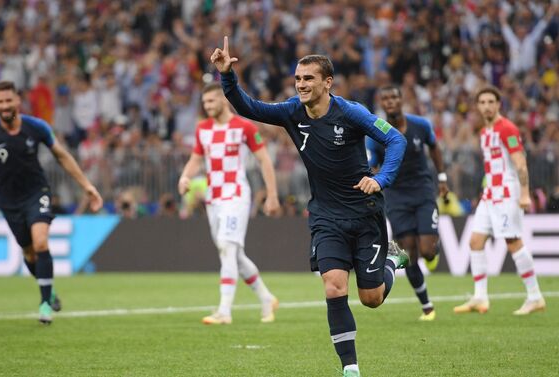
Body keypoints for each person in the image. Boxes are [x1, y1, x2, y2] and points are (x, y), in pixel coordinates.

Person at [211, 37, 408, 377]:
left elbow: (395, 139)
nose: (301, 84)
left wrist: (381, 178)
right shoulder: (291, 111)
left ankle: (392, 258)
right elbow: (249, 108)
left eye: (308, 79)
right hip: (326, 216)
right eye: (298, 79)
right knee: (333, 284)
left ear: (327, 82)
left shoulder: (351, 113)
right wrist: (228, 77)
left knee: (371, 298)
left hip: (365, 213)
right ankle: (350, 368)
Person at [0, 80, 103, 324]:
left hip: (36, 192)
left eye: (9, 100)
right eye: (0, 102)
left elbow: (62, 155)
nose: (5, 106)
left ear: (18, 101)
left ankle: (44, 305)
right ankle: (49, 292)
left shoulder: (36, 127)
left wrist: (87, 186)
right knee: (29, 253)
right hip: (8, 199)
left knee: (40, 243)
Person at [178, 82, 281, 325]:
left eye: (212, 101)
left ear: (223, 100)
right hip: (213, 198)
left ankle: (224, 311)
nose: (208, 106)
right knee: (233, 255)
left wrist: (272, 194)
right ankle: (266, 298)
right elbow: (195, 159)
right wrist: (185, 176)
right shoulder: (203, 129)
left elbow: (264, 160)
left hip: (236, 195)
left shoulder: (244, 126)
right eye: (205, 103)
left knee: (226, 247)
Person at [453, 86, 545, 316]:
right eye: (482, 102)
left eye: (490, 102)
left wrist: (524, 193)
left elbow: (520, 162)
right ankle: (480, 297)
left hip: (507, 193)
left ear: (498, 104)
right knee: (475, 241)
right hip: (490, 193)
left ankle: (535, 297)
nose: (486, 106)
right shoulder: (485, 131)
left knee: (513, 242)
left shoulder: (507, 129)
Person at [367, 85, 449, 321]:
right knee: (409, 254)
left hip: (423, 192)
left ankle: (434, 251)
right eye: (385, 98)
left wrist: (442, 177)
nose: (390, 101)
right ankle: (427, 306)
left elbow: (434, 147)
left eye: (394, 96)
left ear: (402, 100)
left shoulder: (420, 125)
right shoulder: (376, 134)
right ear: (382, 104)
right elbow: (372, 164)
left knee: (427, 249)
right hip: (396, 197)